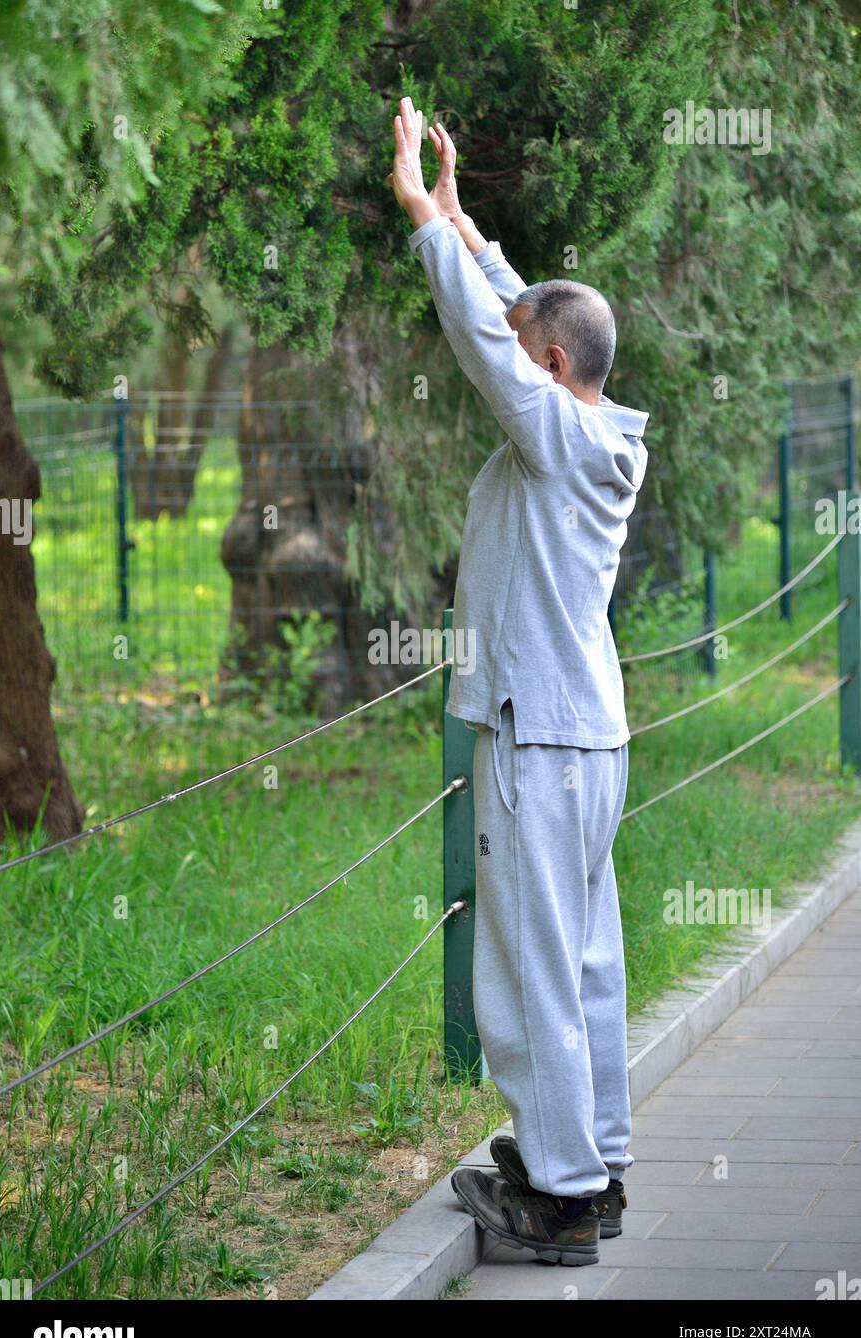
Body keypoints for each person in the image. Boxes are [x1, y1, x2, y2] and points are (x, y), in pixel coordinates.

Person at [387, 97, 648, 1267]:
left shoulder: (547, 430)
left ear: (548, 368)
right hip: (588, 737)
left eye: (523, 344)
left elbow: (495, 343)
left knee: (530, 962)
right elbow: (533, 319)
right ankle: (592, 1155)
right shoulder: (599, 429)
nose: (512, 345)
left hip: (534, 741)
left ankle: (559, 1203)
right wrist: (466, 220)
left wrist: (420, 226)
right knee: (586, 953)